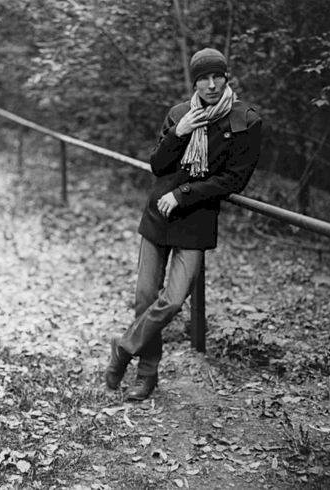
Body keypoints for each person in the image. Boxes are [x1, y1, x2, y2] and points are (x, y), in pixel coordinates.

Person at [105, 47, 262, 401]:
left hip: (196, 220)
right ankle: (146, 375)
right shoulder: (179, 113)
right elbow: (158, 165)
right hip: (158, 217)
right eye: (203, 78)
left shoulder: (246, 121)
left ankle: (124, 348)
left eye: (217, 77)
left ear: (227, 78)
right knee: (145, 298)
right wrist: (179, 131)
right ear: (194, 82)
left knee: (174, 300)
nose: (211, 85)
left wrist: (183, 194)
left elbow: (234, 180)